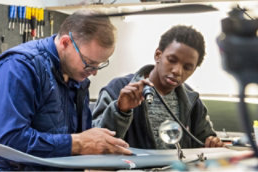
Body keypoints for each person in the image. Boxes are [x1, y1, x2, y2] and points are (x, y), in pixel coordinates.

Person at [0, 10, 131, 171]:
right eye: (89, 63)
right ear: (66, 43)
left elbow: (78, 141)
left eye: (100, 65)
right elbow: (7, 141)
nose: (94, 72)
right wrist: (79, 143)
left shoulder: (78, 78)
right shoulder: (20, 67)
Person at [92, 25, 224, 149]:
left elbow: (205, 144)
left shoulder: (193, 102)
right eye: (172, 60)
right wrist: (120, 111)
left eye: (187, 67)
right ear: (158, 55)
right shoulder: (118, 89)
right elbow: (95, 143)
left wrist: (212, 144)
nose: (177, 71)